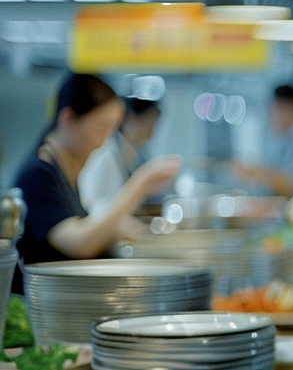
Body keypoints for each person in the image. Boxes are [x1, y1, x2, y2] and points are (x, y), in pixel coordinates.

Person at [11, 74, 181, 290]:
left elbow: (85, 222)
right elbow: (80, 243)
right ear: (68, 119)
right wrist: (140, 185)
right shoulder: (37, 175)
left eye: (111, 130)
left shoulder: (65, 170)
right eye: (101, 128)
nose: (103, 141)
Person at [231, 84, 293, 197]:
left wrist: (256, 172)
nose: (275, 113)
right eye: (274, 107)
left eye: (282, 108)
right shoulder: (273, 142)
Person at [78, 97, 163, 213]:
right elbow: (94, 203)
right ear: (130, 117)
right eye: (149, 124)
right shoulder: (105, 152)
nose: (151, 134)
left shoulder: (132, 153)